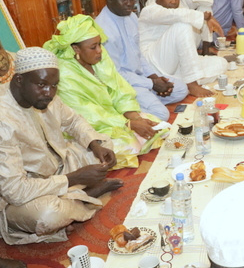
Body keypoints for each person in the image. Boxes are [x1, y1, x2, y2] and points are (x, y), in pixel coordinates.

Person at [0, 47, 123, 244]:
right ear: (19, 80)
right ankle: (83, 196)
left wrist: (95, 144)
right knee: (49, 215)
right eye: (42, 85)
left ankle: (73, 198)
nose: (49, 92)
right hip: (3, 199)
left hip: (52, 169)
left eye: (54, 85)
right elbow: (14, 191)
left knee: (105, 143)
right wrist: (74, 178)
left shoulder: (44, 95)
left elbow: (73, 121)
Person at [43, 14, 162, 169]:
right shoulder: (64, 73)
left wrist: (134, 117)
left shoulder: (99, 57)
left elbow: (120, 89)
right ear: (75, 48)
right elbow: (88, 115)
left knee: (157, 126)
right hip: (90, 128)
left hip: (115, 118)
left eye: (100, 44)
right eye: (93, 47)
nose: (100, 50)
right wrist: (128, 124)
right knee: (130, 146)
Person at [95, 0, 187, 120]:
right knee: (162, 114)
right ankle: (126, 108)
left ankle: (146, 100)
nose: (129, 3)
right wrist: (151, 84)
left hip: (140, 78)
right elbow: (116, 75)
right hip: (122, 84)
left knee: (181, 88)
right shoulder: (104, 30)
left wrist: (155, 78)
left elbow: (139, 55)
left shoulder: (131, 17)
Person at [139, 0, 226, 97]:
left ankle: (177, 82)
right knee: (182, 26)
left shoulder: (177, 8)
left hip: (175, 65)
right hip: (154, 62)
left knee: (221, 63)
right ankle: (191, 83)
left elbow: (204, 2)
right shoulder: (149, 10)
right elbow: (174, 15)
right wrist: (205, 16)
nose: (173, 1)